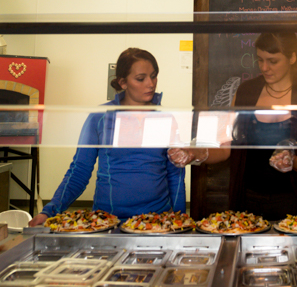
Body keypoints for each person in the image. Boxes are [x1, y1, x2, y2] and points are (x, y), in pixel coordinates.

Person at [169, 32, 297, 220]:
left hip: (294, 202)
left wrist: (292, 160)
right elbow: (225, 147)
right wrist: (195, 153)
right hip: (248, 199)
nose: (264, 67)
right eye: (260, 60)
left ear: (292, 58)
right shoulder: (245, 92)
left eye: (272, 61)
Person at [29, 48, 185, 226]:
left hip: (156, 222)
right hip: (109, 222)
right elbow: (79, 171)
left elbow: (176, 174)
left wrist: (179, 219)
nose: (150, 84)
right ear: (123, 82)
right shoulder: (100, 117)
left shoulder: (165, 118)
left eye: (154, 76)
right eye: (141, 79)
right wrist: (50, 210)